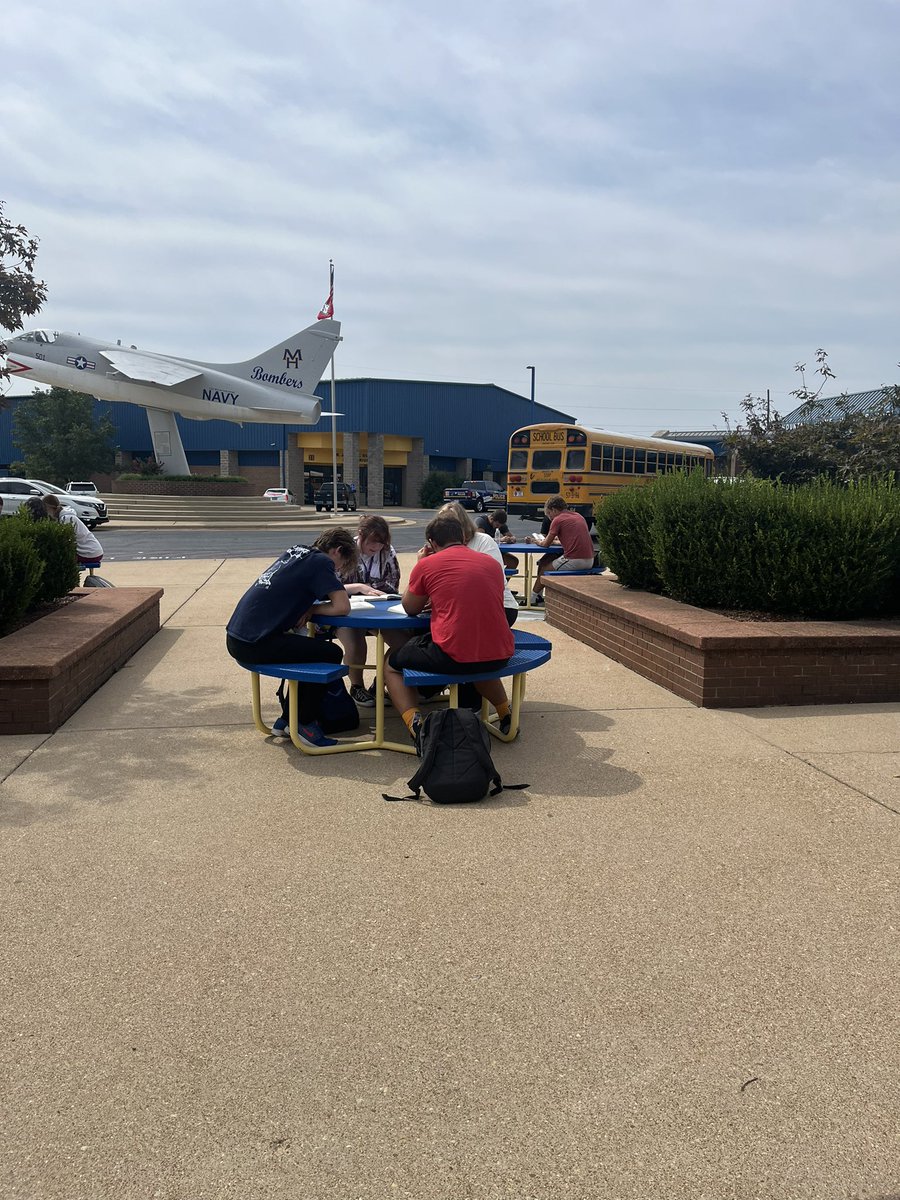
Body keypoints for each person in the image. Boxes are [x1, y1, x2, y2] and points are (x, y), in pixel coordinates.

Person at [386, 514, 514, 747]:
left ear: (432, 543)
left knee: (391, 663)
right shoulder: (492, 564)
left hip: (454, 654)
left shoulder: (427, 564)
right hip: (500, 653)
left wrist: (421, 566)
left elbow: (410, 607)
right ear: (464, 537)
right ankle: (506, 713)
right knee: (479, 659)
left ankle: (416, 725)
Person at [225, 528, 358, 748]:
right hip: (256, 643)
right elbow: (342, 606)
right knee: (330, 653)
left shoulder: (297, 552)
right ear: (337, 550)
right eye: (340, 566)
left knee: (311, 652)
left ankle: (287, 719)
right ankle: (304, 724)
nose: (337, 571)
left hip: (238, 637)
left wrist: (310, 608)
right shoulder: (321, 562)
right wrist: (314, 611)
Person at [335, 514, 404, 707]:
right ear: (361, 535)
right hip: (348, 611)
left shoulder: (388, 552)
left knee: (403, 643)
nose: (376, 548)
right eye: (372, 543)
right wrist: (359, 587)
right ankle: (357, 686)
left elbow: (393, 583)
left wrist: (362, 586)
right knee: (355, 642)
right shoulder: (346, 551)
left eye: (381, 544)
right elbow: (332, 585)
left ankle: (382, 682)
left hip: (379, 611)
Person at [525, 496, 595, 605]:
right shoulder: (578, 516)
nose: (549, 517)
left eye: (549, 513)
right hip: (590, 559)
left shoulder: (558, 519)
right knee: (545, 562)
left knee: (544, 570)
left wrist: (536, 541)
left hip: (574, 559)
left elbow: (545, 544)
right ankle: (538, 596)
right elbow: (569, 540)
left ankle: (531, 599)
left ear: (554, 510)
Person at [42, 494, 104, 562]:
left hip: (90, 553)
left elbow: (66, 541)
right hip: (93, 551)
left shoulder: (66, 518)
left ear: (52, 508)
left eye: (45, 509)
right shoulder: (65, 517)